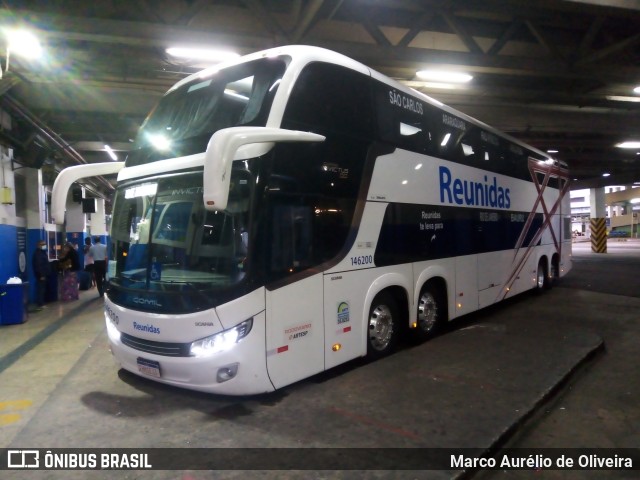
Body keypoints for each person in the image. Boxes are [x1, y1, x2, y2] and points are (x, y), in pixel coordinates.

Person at [32, 240, 51, 310]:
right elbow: (38, 266)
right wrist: (41, 275)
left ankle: (42, 303)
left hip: (44, 274)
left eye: (44, 244)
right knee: (41, 289)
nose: (44, 245)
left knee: (42, 289)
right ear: (38, 245)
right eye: (42, 244)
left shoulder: (42, 252)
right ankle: (40, 304)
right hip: (41, 275)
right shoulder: (38, 254)